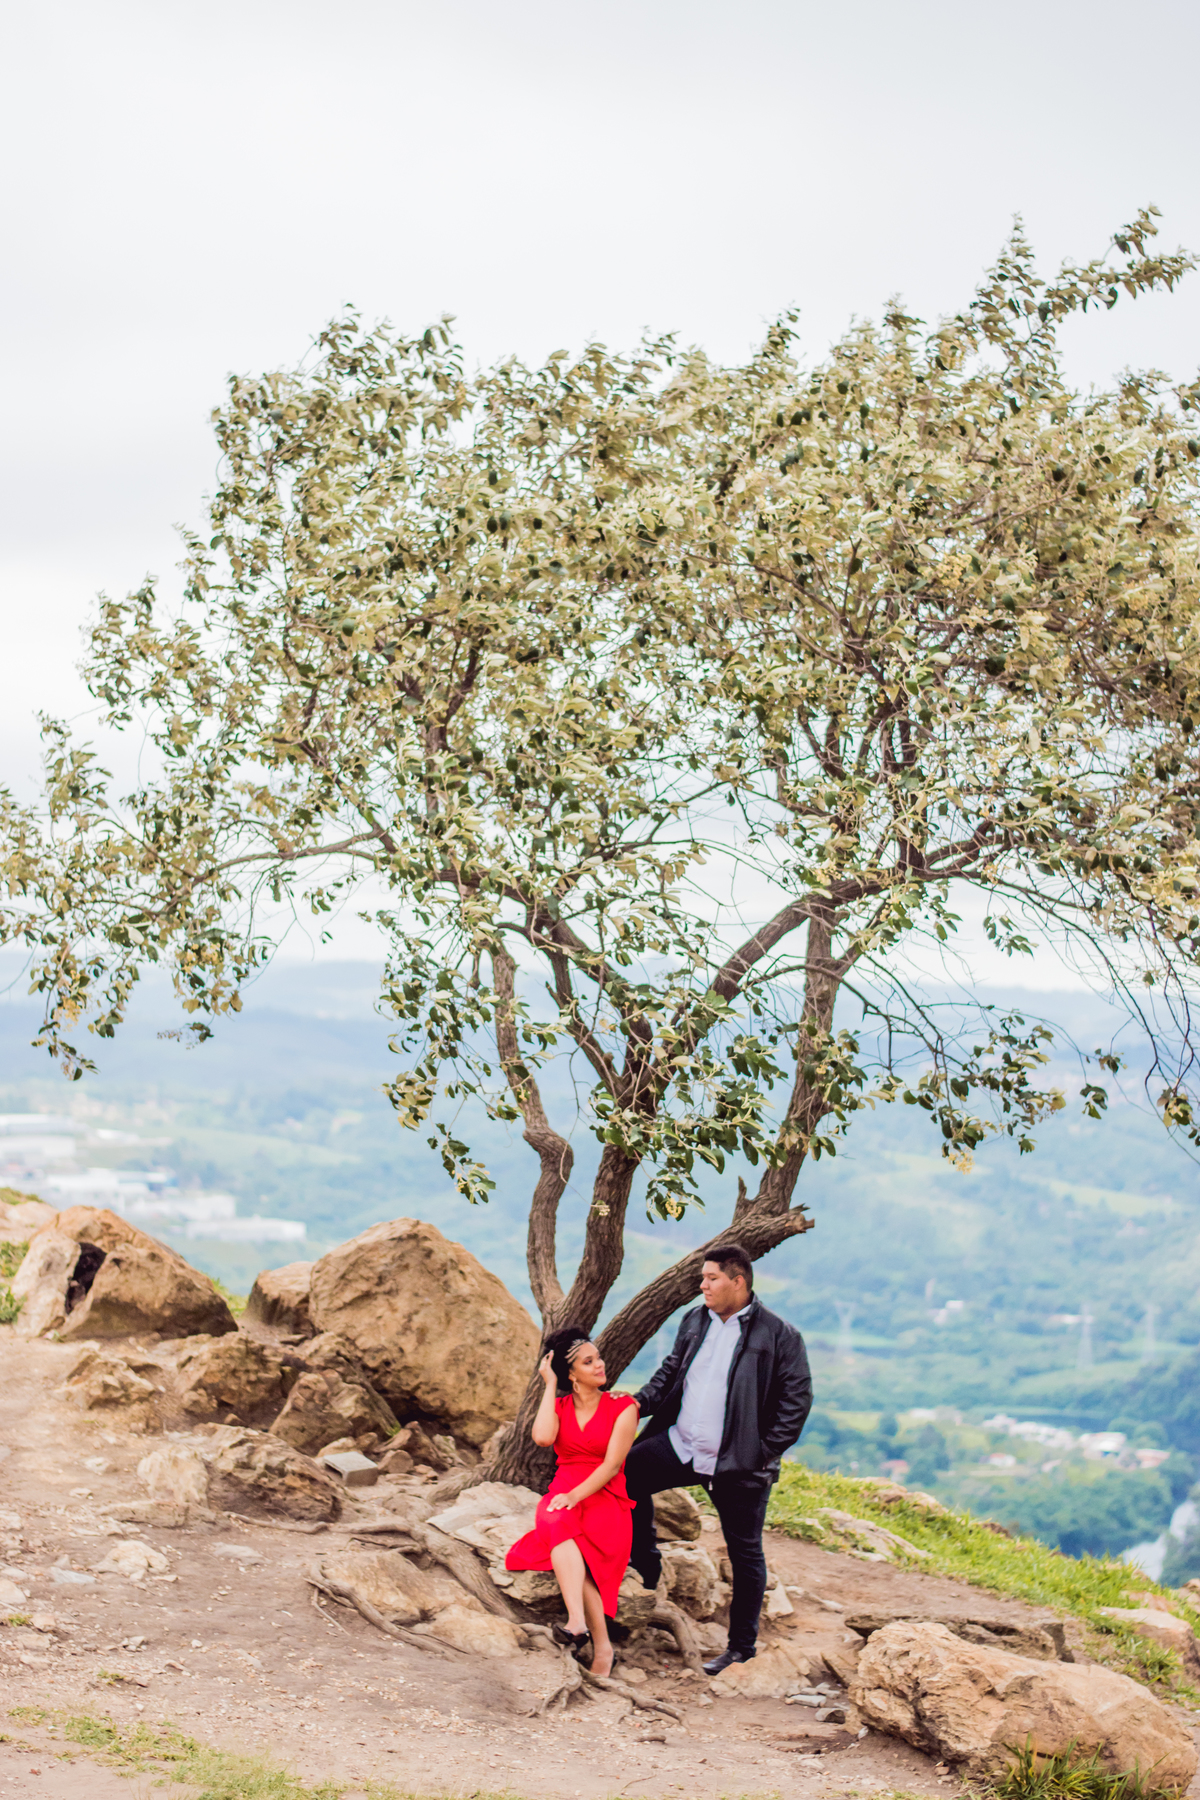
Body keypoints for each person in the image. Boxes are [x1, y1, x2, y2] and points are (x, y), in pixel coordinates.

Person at [626, 1240, 812, 1675]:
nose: (703, 1286)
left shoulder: (779, 1335)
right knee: (627, 1475)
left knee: (745, 1554)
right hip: (682, 1446)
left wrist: (762, 1453)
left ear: (738, 1281)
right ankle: (647, 1568)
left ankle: (741, 1648)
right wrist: (637, 1403)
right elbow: (671, 1372)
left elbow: (796, 1400)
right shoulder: (695, 1320)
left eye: (711, 1278)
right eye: (703, 1278)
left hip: (739, 1464)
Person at [505, 1327, 639, 1678]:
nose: (600, 1365)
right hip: (565, 1487)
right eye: (588, 1362)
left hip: (605, 1496)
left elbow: (611, 1466)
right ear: (571, 1374)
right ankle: (584, 1629)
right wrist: (549, 1384)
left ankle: (593, 1638)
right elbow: (542, 1437)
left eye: (598, 1358)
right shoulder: (559, 1406)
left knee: (572, 1544)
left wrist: (575, 1496)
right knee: (559, 1526)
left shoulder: (624, 1406)